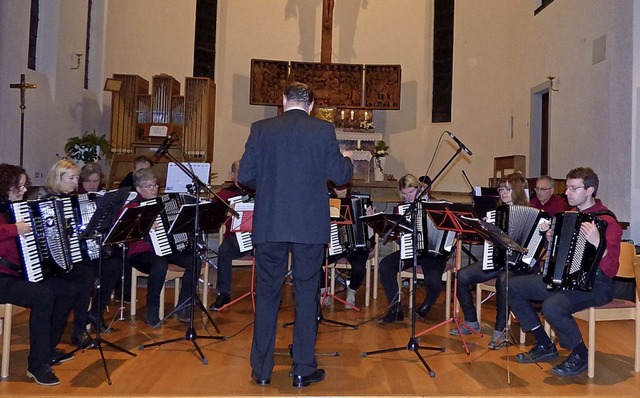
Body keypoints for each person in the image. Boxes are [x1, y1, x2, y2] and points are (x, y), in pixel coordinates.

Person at [237, 82, 353, 388]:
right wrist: (347, 159)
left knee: (267, 295)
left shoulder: (261, 128)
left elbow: (245, 176)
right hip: (308, 226)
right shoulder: (322, 130)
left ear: (283, 100)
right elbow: (341, 176)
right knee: (306, 294)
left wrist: (274, 184)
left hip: (271, 224)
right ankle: (302, 368)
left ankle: (261, 370)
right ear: (311, 105)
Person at [509, 167, 622, 377]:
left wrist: (599, 244)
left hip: (598, 285)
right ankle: (544, 344)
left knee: (552, 306)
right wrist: (552, 240)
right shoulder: (571, 217)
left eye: (573, 188)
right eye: (567, 188)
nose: (567, 193)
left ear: (589, 190)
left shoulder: (608, 222)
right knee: (511, 286)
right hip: (569, 281)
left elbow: (611, 269)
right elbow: (561, 258)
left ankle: (580, 355)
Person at [0, 163, 78, 386]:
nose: (25, 191)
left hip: (17, 274)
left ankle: (48, 348)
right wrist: (15, 229)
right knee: (42, 295)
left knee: (68, 289)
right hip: (1, 277)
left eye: (25, 186)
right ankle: (37, 365)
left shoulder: (18, 209)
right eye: (20, 187)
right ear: (5, 186)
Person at [451, 173, 535, 349]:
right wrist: (484, 228)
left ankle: (501, 329)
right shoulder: (495, 213)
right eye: (501, 189)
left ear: (518, 191)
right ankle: (471, 320)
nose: (503, 193)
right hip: (496, 260)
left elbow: (535, 246)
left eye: (508, 189)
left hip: (518, 266)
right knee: (461, 276)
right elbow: (490, 241)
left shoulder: (533, 214)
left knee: (503, 281)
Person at [124, 168, 199, 327]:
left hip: (167, 249)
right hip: (141, 253)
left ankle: (184, 306)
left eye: (155, 185)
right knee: (159, 264)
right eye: (149, 186)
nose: (154, 189)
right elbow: (126, 233)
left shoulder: (164, 203)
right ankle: (152, 311)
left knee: (195, 259)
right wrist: (144, 225)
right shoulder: (131, 207)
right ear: (138, 189)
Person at [35, 159, 97, 348]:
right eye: (71, 178)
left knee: (92, 271)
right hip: (48, 262)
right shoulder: (44, 200)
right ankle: (77, 331)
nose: (75, 182)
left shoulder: (70, 199)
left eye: (77, 178)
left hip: (69, 257)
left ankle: (80, 328)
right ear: (57, 177)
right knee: (84, 277)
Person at [377, 174, 451, 324]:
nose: (408, 197)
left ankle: (426, 305)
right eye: (404, 194)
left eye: (411, 192)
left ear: (419, 189)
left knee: (434, 282)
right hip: (411, 250)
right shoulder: (401, 209)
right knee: (385, 265)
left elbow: (448, 227)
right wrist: (395, 234)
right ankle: (395, 309)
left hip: (433, 254)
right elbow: (397, 237)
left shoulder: (435, 204)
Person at [77, 162, 123, 336]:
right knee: (88, 274)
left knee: (116, 264)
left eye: (95, 181)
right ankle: (81, 322)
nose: (92, 185)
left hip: (97, 248)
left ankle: (96, 312)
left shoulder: (104, 196)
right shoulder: (76, 197)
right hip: (80, 252)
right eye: (88, 181)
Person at [209, 160, 253, 311]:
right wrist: (225, 211)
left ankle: (267, 294)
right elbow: (211, 216)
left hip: (258, 237)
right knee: (224, 250)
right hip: (235, 238)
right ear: (232, 174)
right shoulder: (225, 194)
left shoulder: (262, 192)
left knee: (273, 248)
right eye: (240, 172)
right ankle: (224, 293)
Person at [323, 181, 375, 308]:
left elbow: (371, 230)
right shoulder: (326, 202)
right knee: (313, 261)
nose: (341, 191)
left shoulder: (360, 202)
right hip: (335, 245)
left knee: (359, 267)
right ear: (332, 188)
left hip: (357, 248)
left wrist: (371, 218)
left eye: (344, 187)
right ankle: (323, 290)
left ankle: (352, 291)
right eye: (338, 188)